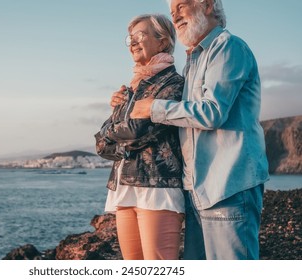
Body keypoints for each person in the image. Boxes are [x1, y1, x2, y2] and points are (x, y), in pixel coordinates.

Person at [123, 0, 270, 260]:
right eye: (172, 11)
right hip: (198, 191)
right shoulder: (194, 59)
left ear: (209, 5)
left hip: (229, 187)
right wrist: (127, 99)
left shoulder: (228, 47)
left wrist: (154, 108)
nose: (175, 15)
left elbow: (212, 112)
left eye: (182, 6)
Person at [95, 14, 185, 260]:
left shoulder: (173, 84)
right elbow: (101, 145)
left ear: (163, 41)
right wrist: (114, 132)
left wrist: (114, 133)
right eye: (131, 38)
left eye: (141, 36)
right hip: (124, 187)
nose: (133, 43)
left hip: (157, 189)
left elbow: (138, 131)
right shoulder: (131, 88)